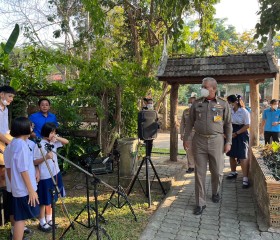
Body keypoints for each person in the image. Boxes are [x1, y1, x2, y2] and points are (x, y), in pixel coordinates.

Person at [183, 77, 232, 215]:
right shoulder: (197, 103)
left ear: (213, 89)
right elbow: (189, 123)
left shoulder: (223, 104)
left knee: (217, 171)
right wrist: (187, 138)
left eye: (205, 87)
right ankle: (200, 203)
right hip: (199, 141)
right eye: (202, 86)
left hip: (217, 141)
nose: (202, 89)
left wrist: (228, 142)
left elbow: (228, 124)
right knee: (199, 173)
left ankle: (215, 192)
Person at [4, 117, 40, 240]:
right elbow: (23, 169)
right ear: (24, 128)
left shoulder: (12, 144)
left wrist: (13, 184)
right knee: (20, 218)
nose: (32, 128)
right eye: (30, 126)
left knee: (19, 216)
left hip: (17, 187)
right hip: (24, 189)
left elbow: (9, 168)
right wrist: (31, 190)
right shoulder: (22, 145)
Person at [34, 122, 69, 232]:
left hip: (55, 173)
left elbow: (66, 142)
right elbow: (34, 161)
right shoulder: (39, 144)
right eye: (52, 132)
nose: (54, 134)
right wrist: (46, 157)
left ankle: (49, 218)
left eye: (54, 132)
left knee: (52, 198)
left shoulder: (53, 142)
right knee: (44, 199)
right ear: (46, 132)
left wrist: (56, 137)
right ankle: (42, 221)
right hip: (45, 176)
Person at [226, 95, 250, 188]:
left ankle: (245, 178)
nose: (229, 104)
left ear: (235, 102)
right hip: (231, 131)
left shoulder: (244, 111)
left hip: (241, 132)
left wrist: (237, 133)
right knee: (231, 153)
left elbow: (247, 125)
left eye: (230, 102)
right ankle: (233, 172)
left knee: (242, 155)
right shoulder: (230, 111)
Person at [0, 86, 15, 188]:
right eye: (10, 96)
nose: (11, 99)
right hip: (3, 143)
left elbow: (5, 128)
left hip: (5, 141)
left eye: (13, 97)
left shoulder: (6, 109)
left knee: (5, 173)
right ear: (1, 94)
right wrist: (10, 143)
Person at [180, 96, 196, 174]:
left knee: (198, 150)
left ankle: (198, 166)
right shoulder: (185, 111)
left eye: (191, 102)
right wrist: (182, 133)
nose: (190, 104)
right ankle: (191, 166)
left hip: (197, 133)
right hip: (188, 133)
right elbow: (182, 123)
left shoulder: (199, 111)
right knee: (189, 150)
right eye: (189, 102)